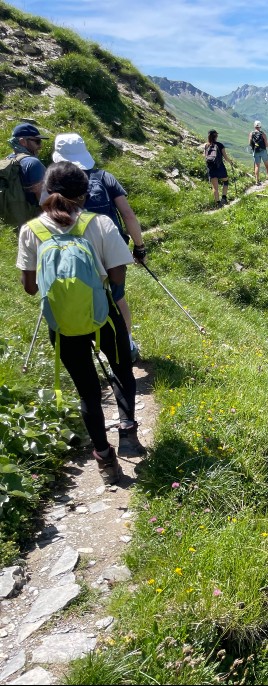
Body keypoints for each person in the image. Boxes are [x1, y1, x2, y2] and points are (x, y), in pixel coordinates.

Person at [17, 162, 146, 484]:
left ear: (45, 191)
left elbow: (30, 287)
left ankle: (105, 461)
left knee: (87, 391)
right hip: (103, 316)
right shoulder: (99, 223)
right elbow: (118, 275)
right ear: (85, 194)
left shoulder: (31, 231)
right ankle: (127, 432)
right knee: (122, 370)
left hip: (62, 323)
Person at [48, 133, 146, 362]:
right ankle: (126, 344)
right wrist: (139, 247)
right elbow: (128, 214)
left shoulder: (53, 183)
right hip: (110, 249)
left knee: (79, 295)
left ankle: (88, 345)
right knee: (117, 297)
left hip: (70, 252)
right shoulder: (104, 177)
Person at [6, 122, 49, 216]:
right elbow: (42, 197)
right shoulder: (33, 163)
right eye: (37, 141)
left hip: (12, 217)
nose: (40, 146)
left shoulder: (8, 159)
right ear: (23, 142)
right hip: (33, 217)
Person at [204, 129, 236, 207]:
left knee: (215, 187)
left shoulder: (206, 145)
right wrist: (230, 162)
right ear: (216, 136)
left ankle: (218, 204)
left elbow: (205, 156)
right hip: (220, 167)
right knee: (226, 181)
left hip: (211, 168)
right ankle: (224, 198)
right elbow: (225, 157)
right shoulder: (220, 145)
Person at [248, 120, 268, 185]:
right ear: (260, 126)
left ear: (254, 126)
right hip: (263, 151)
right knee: (267, 165)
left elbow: (250, 143)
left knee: (257, 166)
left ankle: (257, 181)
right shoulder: (262, 134)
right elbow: (266, 144)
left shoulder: (251, 134)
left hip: (256, 151)